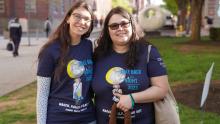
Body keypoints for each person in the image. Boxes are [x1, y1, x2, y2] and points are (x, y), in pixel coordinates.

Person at [92, 7, 169, 124]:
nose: (120, 28)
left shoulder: (148, 52)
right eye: (114, 26)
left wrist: (132, 98)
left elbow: (161, 89)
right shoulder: (98, 54)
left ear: (132, 25)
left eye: (124, 24)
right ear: (107, 30)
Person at [36, 1, 96, 124]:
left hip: (87, 118)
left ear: (90, 25)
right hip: (59, 118)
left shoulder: (89, 46)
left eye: (87, 19)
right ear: (68, 18)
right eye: (77, 16)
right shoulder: (50, 50)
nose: (82, 22)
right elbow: (42, 94)